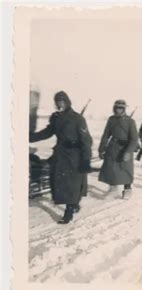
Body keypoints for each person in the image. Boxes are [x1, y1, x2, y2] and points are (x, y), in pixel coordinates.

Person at [29, 91, 93, 224]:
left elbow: (87, 140)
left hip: (75, 155)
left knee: (72, 184)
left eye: (62, 101)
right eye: (57, 102)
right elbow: (48, 131)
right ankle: (74, 204)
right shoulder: (56, 117)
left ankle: (69, 211)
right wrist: (31, 137)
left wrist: (86, 159)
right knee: (58, 182)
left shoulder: (77, 118)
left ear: (67, 102)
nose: (60, 104)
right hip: (60, 154)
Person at [98, 100, 138, 199]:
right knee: (111, 168)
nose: (118, 110)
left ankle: (127, 189)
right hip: (113, 147)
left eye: (120, 108)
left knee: (125, 169)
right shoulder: (111, 119)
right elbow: (106, 135)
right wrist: (101, 148)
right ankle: (113, 189)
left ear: (124, 109)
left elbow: (134, 139)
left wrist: (128, 151)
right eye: (116, 108)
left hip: (125, 147)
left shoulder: (130, 121)